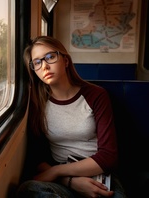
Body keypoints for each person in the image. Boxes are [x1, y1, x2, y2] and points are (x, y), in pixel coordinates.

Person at [16, 36, 126, 198]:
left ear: (65, 61)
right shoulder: (37, 103)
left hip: (98, 173)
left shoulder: (96, 95)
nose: (45, 66)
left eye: (50, 57)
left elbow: (108, 156)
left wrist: (56, 171)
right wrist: (69, 181)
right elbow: (36, 156)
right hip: (63, 180)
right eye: (37, 62)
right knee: (29, 189)